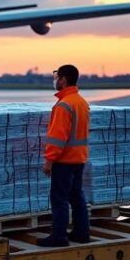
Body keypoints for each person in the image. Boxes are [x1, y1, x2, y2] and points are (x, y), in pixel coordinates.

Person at [38, 64, 91, 247]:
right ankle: (82, 233)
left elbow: (57, 138)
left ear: (64, 80)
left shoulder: (63, 105)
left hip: (64, 160)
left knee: (59, 198)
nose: (56, 81)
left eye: (58, 77)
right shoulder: (81, 102)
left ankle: (59, 236)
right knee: (77, 196)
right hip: (79, 159)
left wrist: (49, 161)